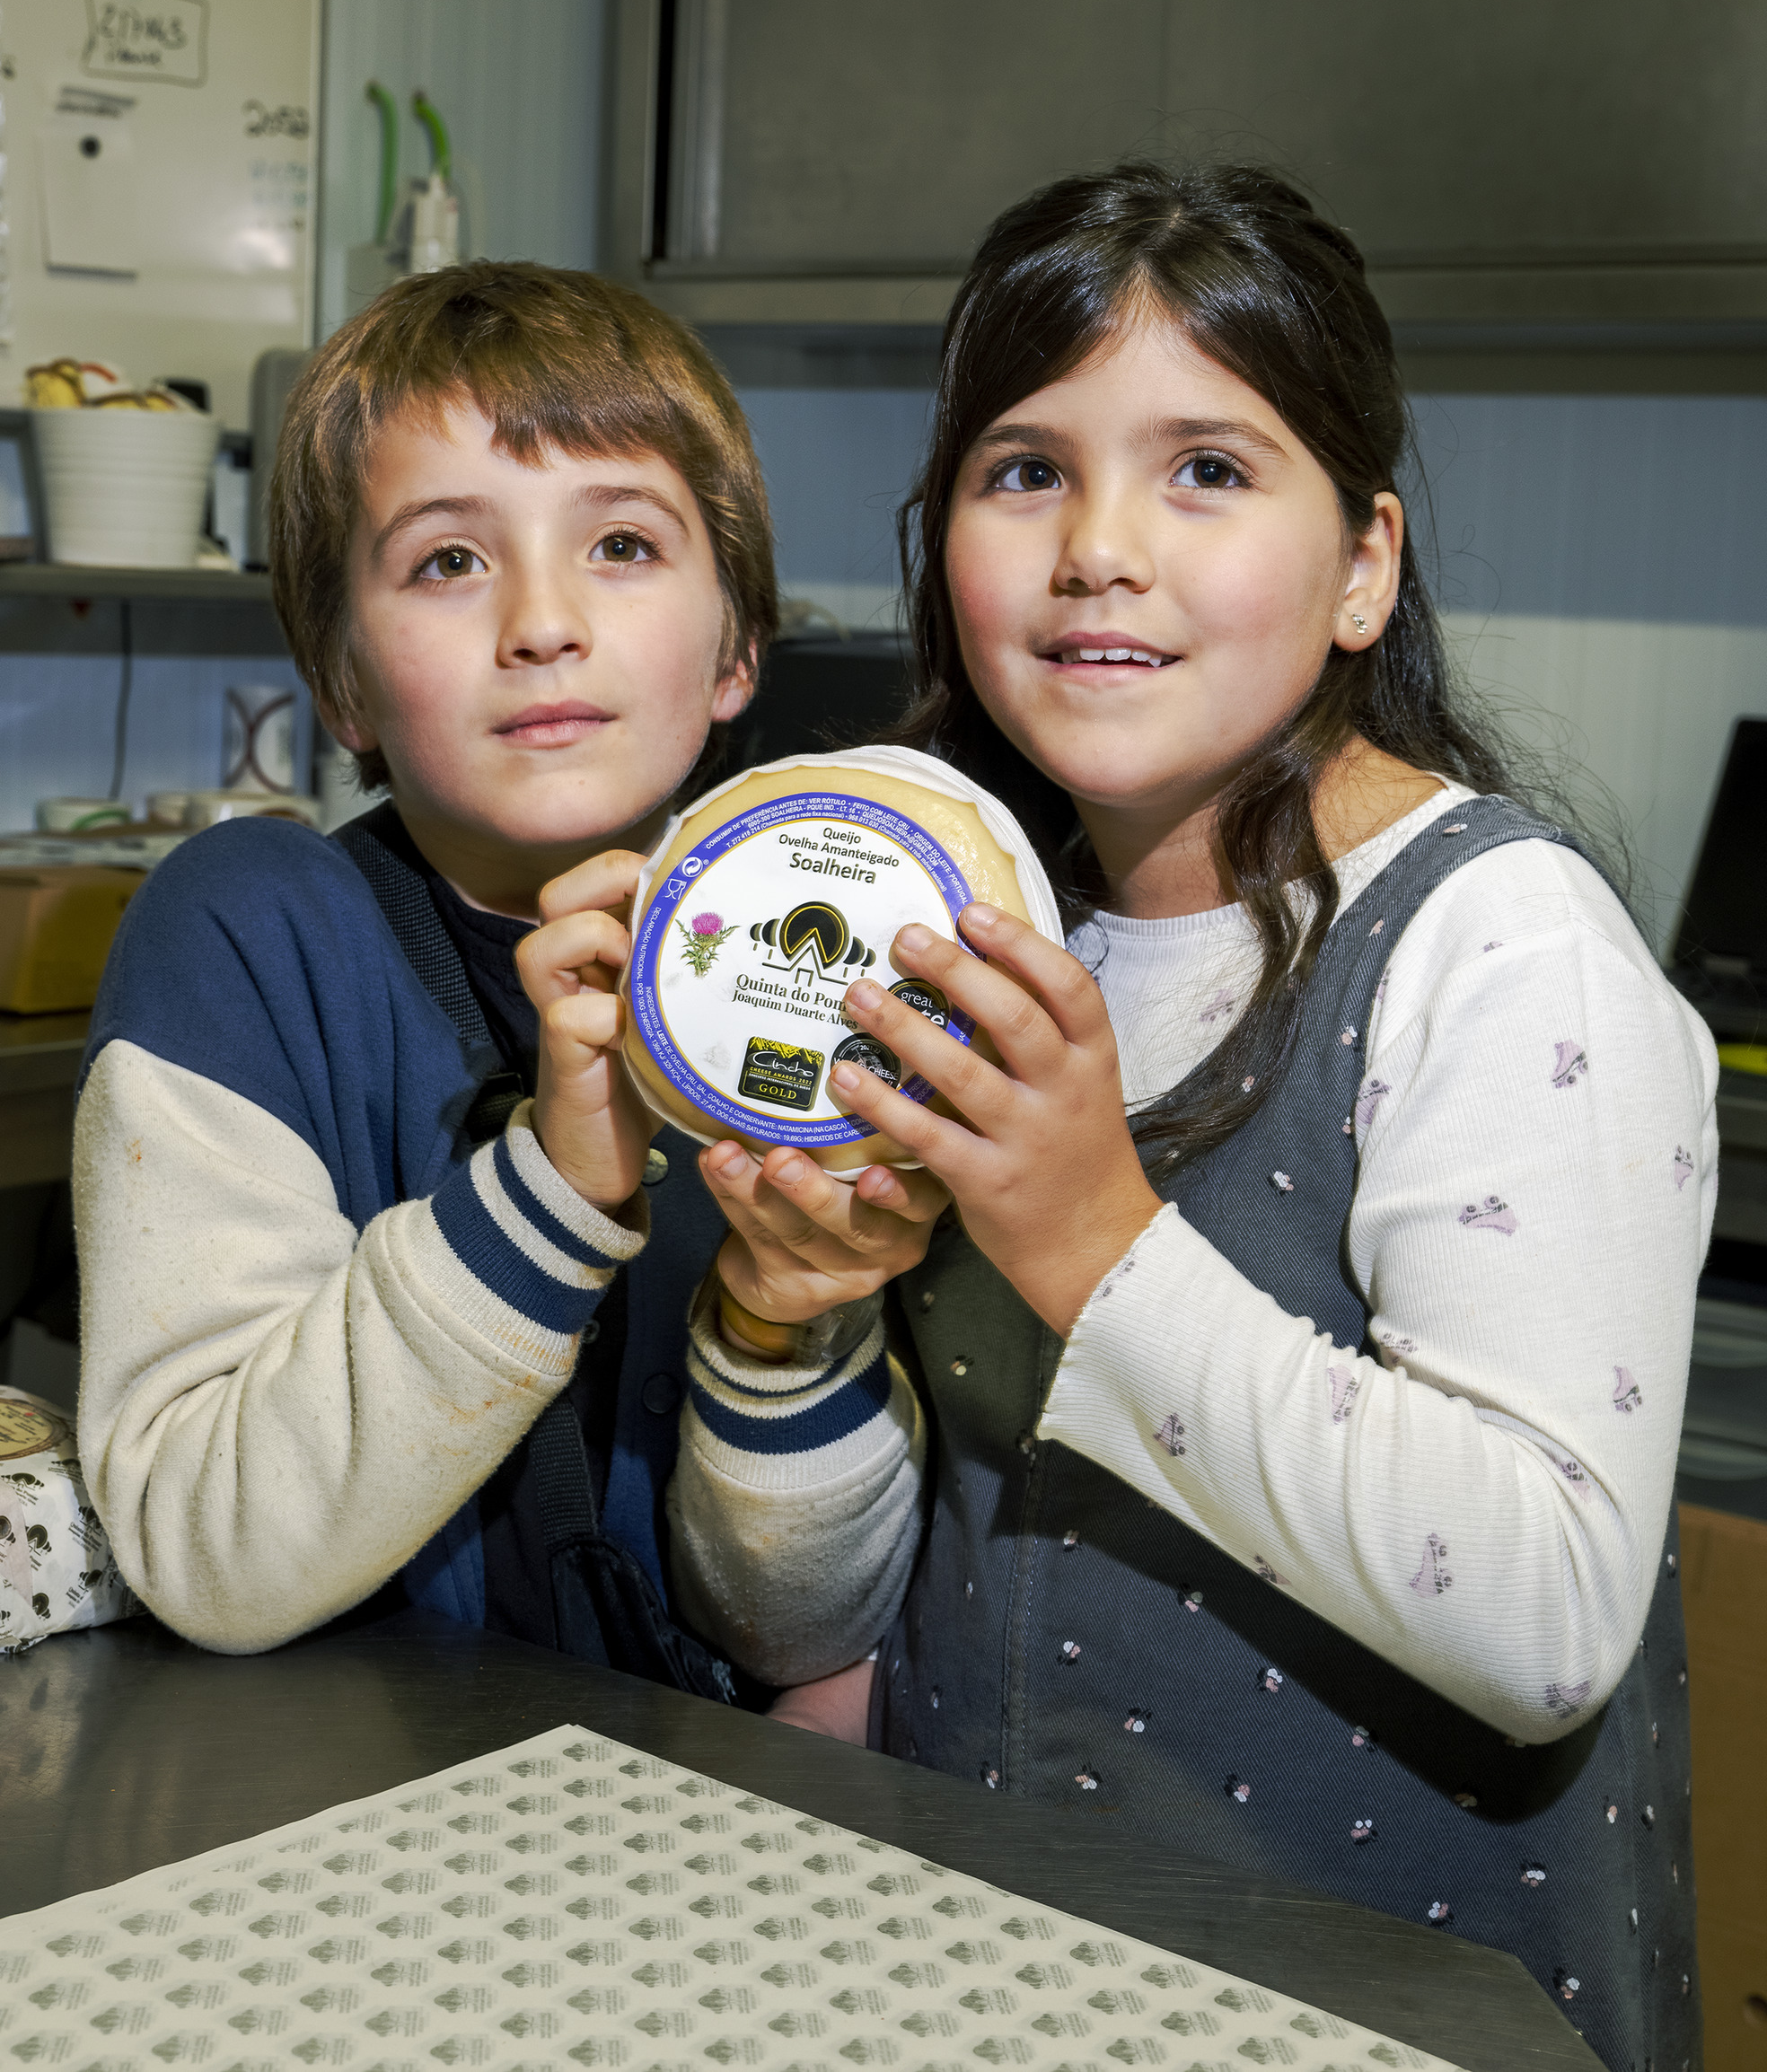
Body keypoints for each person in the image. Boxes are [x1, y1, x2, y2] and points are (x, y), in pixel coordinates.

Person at [678, 165, 1716, 2072]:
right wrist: (781, 1327)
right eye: (1023, 469)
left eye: (1208, 469)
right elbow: (809, 1614)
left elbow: (1548, 1607)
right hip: (985, 1981)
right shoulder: (962, 936)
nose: (1098, 546)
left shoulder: (1497, 946)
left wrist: (1093, 1241)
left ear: (1362, 569)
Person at [75, 260, 921, 1690]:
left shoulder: (821, 969)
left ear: (740, 645)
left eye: (625, 546)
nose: (541, 621)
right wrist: (549, 1186)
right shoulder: (244, 938)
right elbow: (202, 1545)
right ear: (339, 676)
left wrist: (784, 1325)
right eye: (449, 560)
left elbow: (800, 1630)